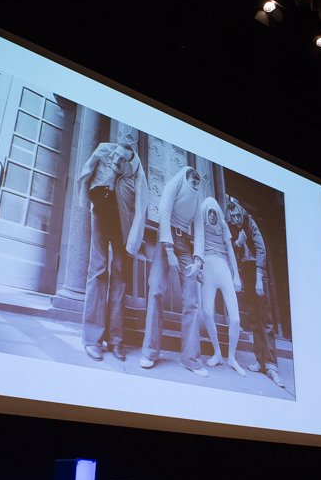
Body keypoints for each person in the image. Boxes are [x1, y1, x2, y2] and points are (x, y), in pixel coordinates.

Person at [75, 132, 147, 362]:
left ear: (131, 159)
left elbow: (141, 207)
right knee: (97, 270)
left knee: (119, 276)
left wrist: (134, 241)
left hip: (123, 226)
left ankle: (116, 339)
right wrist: (87, 200)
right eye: (116, 155)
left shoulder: (138, 173)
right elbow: (86, 175)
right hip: (101, 214)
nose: (117, 160)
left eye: (122, 159)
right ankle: (92, 339)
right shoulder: (104, 151)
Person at [140, 166, 207, 376]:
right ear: (186, 179)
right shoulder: (174, 184)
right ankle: (150, 353)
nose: (195, 186)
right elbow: (164, 213)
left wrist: (198, 261)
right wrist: (169, 251)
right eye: (193, 182)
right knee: (156, 291)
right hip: (165, 239)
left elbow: (199, 228)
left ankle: (190, 359)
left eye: (198, 183)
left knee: (192, 300)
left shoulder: (197, 197)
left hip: (184, 243)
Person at [225, 198, 284, 388]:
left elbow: (261, 249)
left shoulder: (250, 222)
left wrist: (259, 279)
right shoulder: (232, 227)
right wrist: (238, 243)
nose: (235, 219)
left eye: (237, 215)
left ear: (241, 212)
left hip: (258, 273)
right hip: (247, 273)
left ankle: (271, 365)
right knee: (253, 318)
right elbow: (231, 250)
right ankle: (260, 361)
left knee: (265, 319)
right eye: (232, 217)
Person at [194, 197, 246, 376]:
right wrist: (198, 267)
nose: (212, 216)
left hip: (223, 267)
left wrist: (236, 275)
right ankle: (217, 353)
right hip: (207, 266)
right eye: (209, 212)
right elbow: (197, 244)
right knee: (207, 312)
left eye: (214, 212)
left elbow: (230, 249)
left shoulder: (223, 225)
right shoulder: (200, 224)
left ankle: (231, 357)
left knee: (236, 319)